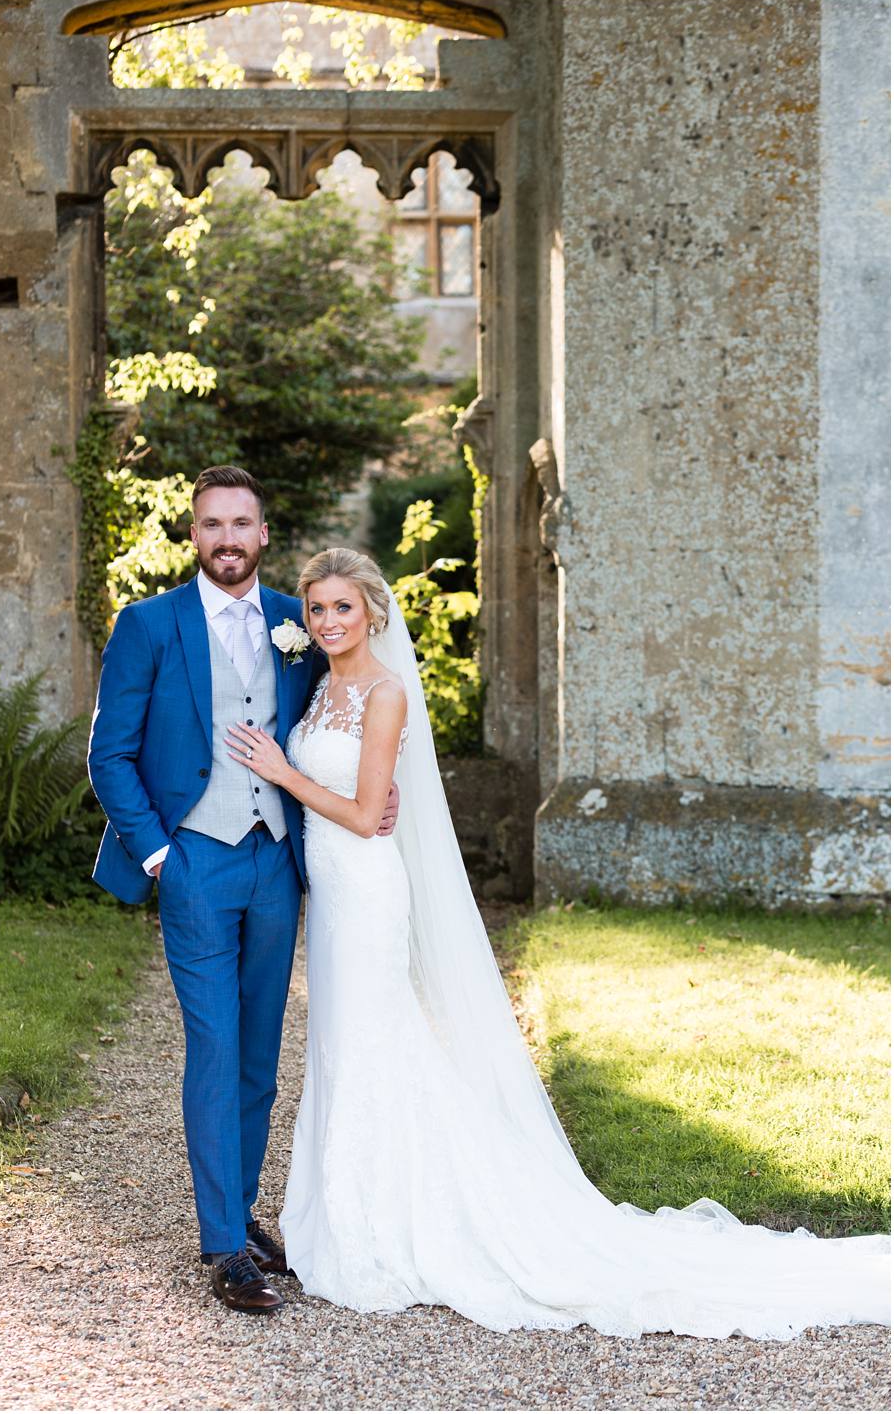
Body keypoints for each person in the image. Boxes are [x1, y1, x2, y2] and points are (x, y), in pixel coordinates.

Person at [227, 546, 891, 1339]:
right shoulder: (321, 684)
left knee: (376, 1042)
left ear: (373, 609)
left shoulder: (385, 691)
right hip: (331, 894)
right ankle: (342, 1213)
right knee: (340, 1042)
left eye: (342, 607)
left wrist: (282, 770)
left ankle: (401, 1224)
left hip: (368, 892)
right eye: (317, 609)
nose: (328, 621)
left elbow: (370, 814)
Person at [87, 469, 398, 1314]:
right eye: (213, 523)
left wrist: (381, 788)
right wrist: (158, 856)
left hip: (278, 863)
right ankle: (224, 1244)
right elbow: (108, 753)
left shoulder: (304, 624)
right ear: (196, 535)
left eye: (242, 523)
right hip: (193, 861)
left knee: (261, 1052)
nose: (228, 537)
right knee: (215, 1045)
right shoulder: (149, 625)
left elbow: (345, 716)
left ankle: (243, 1210)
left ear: (264, 535)